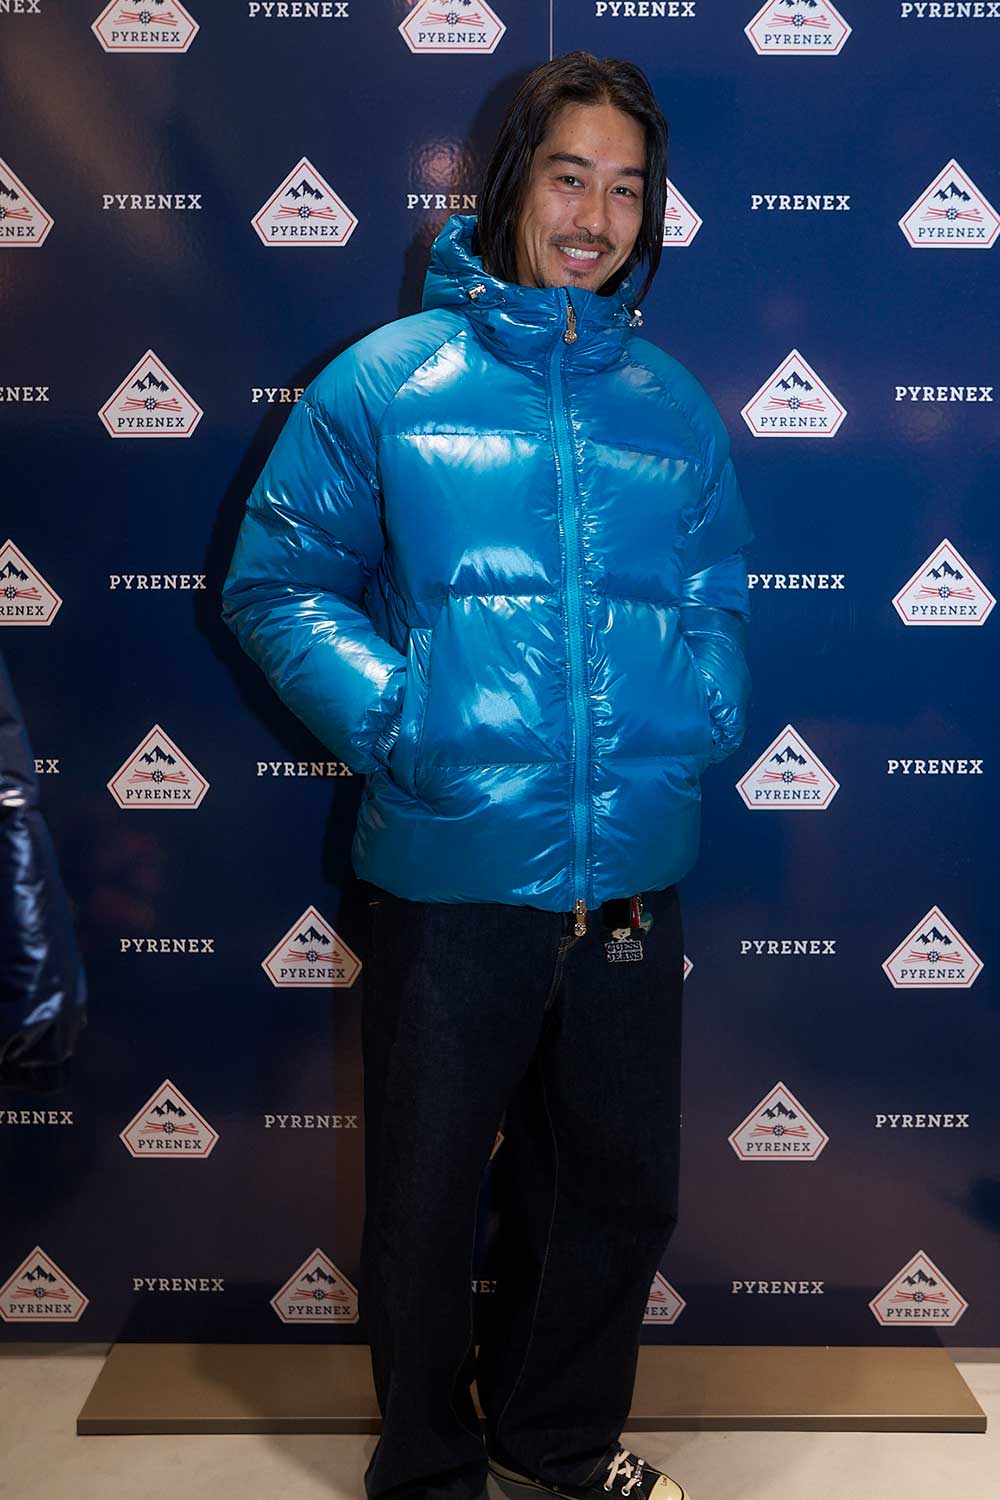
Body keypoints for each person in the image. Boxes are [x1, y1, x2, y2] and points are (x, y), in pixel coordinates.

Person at [222, 51, 751, 1500]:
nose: (596, 217)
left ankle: (556, 1444)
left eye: (627, 189)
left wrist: (705, 704)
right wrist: (405, 722)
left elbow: (717, 597)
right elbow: (276, 584)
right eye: (571, 176)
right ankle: (431, 1470)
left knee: (613, 1191)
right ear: (513, 180)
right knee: (428, 1193)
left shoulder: (672, 406)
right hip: (452, 869)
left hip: (630, 876)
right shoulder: (386, 383)